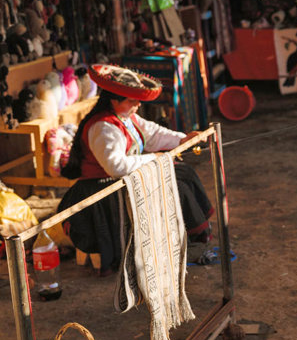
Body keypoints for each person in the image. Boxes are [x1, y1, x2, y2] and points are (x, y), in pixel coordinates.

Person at [58, 64, 213, 276]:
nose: (138, 104)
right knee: (173, 184)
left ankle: (194, 233)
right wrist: (155, 159)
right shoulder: (103, 127)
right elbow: (116, 167)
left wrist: (183, 139)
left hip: (119, 180)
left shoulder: (126, 118)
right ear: (114, 100)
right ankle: (188, 238)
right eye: (133, 100)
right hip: (103, 189)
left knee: (182, 172)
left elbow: (153, 134)